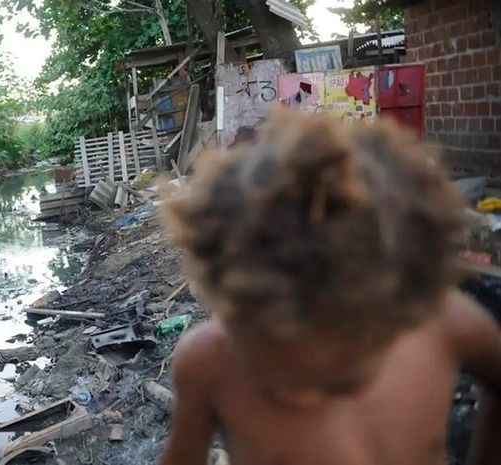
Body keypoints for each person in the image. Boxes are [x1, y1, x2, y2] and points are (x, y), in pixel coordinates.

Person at [159, 107, 501, 465]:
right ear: (230, 308)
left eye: (347, 376)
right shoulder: (207, 362)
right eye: (279, 367)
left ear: (400, 311)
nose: (305, 397)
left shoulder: (444, 324)